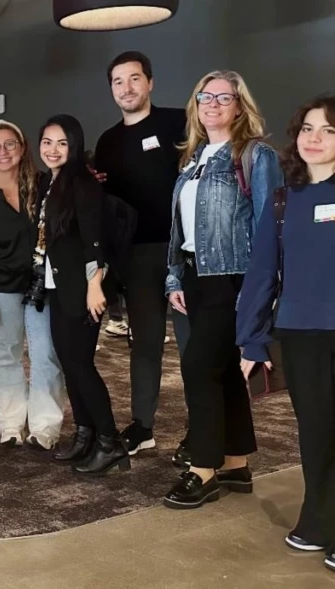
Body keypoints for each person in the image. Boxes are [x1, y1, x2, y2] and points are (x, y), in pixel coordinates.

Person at [162, 71, 284, 510]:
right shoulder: (192, 158)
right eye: (204, 96)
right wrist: (175, 274)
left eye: (223, 97)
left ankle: (204, 468)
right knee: (224, 371)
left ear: (239, 106)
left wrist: (257, 291)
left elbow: (269, 229)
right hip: (196, 277)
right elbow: (181, 227)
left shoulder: (256, 155)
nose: (212, 103)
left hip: (233, 277)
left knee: (199, 368)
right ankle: (234, 463)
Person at [237, 95, 335, 569]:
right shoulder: (283, 199)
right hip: (300, 332)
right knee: (315, 431)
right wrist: (251, 339)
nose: (314, 138)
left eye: (329, 130)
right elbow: (262, 274)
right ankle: (318, 519)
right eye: (308, 129)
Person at [93, 51, 193, 461]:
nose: (127, 88)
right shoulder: (108, 142)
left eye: (134, 79)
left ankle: (200, 429)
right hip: (137, 256)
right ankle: (143, 426)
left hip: (184, 252)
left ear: (149, 82)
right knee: (145, 343)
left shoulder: (179, 123)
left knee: (193, 345)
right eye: (118, 81)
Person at [0, 119, 65, 450]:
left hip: (42, 288)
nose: (3, 152)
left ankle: (45, 427)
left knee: (45, 354)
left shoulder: (44, 184)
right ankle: (9, 424)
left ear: (21, 149)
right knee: (6, 354)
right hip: (1, 289)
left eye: (9, 145)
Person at [36, 114, 129, 475]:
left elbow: (95, 240)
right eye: (47, 142)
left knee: (81, 366)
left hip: (83, 289)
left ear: (74, 146)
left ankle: (110, 442)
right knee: (70, 364)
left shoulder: (82, 184)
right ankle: (86, 434)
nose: (53, 149)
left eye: (61, 143)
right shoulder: (49, 182)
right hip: (59, 286)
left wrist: (95, 285)